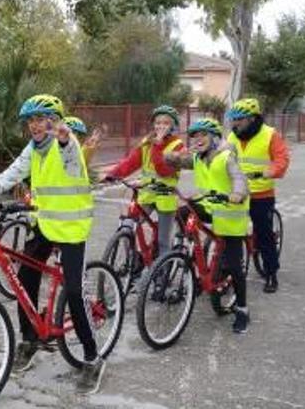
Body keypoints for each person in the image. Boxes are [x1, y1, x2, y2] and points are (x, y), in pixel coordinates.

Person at [0, 94, 103, 390]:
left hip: (72, 230)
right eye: (31, 121)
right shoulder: (33, 149)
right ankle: (29, 340)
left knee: (74, 292)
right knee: (24, 279)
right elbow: (10, 175)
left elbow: (72, 163)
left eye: (41, 119)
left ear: (55, 121)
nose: (35, 126)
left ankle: (92, 357)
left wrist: (65, 140)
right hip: (44, 224)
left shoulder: (68, 146)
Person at [164, 118, 251, 334]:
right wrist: (174, 153)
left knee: (233, 265)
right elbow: (173, 161)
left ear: (214, 137)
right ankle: (185, 250)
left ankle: (242, 309)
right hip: (210, 206)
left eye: (202, 134)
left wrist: (237, 194)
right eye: (194, 136)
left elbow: (239, 179)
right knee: (183, 212)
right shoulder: (197, 157)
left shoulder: (226, 156)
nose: (198, 139)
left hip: (230, 212)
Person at [102, 105, 184, 260]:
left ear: (173, 126)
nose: (160, 126)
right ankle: (135, 262)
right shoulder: (147, 142)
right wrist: (113, 174)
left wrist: (159, 146)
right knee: (128, 228)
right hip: (146, 195)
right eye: (158, 123)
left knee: (163, 241)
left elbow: (164, 171)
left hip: (165, 198)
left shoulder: (177, 145)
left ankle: (162, 276)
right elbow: (131, 162)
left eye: (166, 123)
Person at [226, 98, 290, 293]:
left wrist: (269, 171)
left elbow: (282, 159)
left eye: (239, 119)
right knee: (228, 232)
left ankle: (271, 273)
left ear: (252, 119)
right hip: (237, 192)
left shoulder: (270, 135)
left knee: (264, 236)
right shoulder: (232, 137)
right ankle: (226, 271)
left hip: (261, 193)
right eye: (233, 119)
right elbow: (222, 157)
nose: (235, 123)